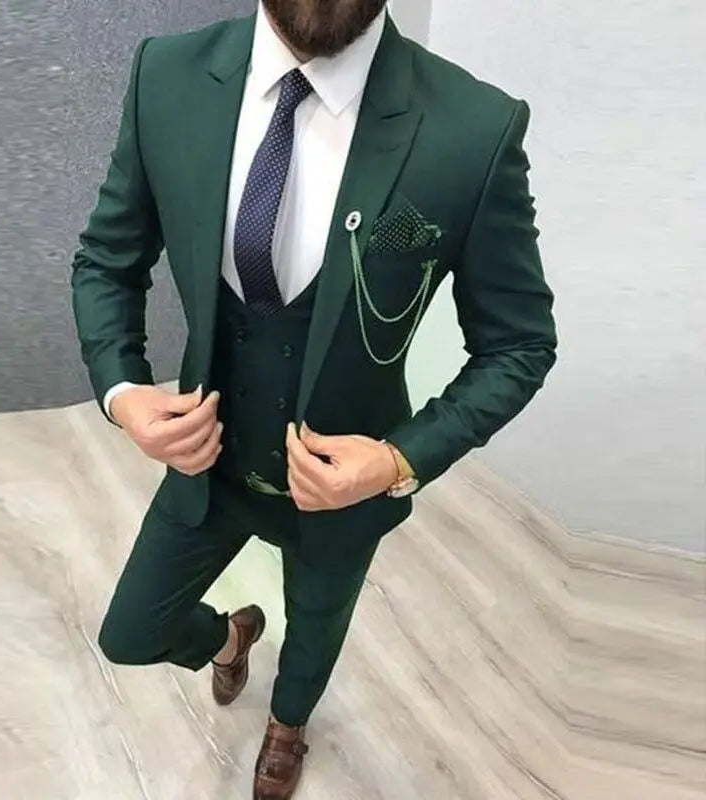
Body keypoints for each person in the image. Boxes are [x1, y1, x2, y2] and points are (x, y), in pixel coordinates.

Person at [70, 1, 557, 797]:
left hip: (346, 484)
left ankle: (288, 725)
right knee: (130, 633)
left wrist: (399, 459)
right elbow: (106, 258)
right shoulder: (167, 76)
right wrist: (123, 390)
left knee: (317, 629)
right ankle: (230, 639)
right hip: (208, 460)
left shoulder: (474, 127)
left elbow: (519, 344)